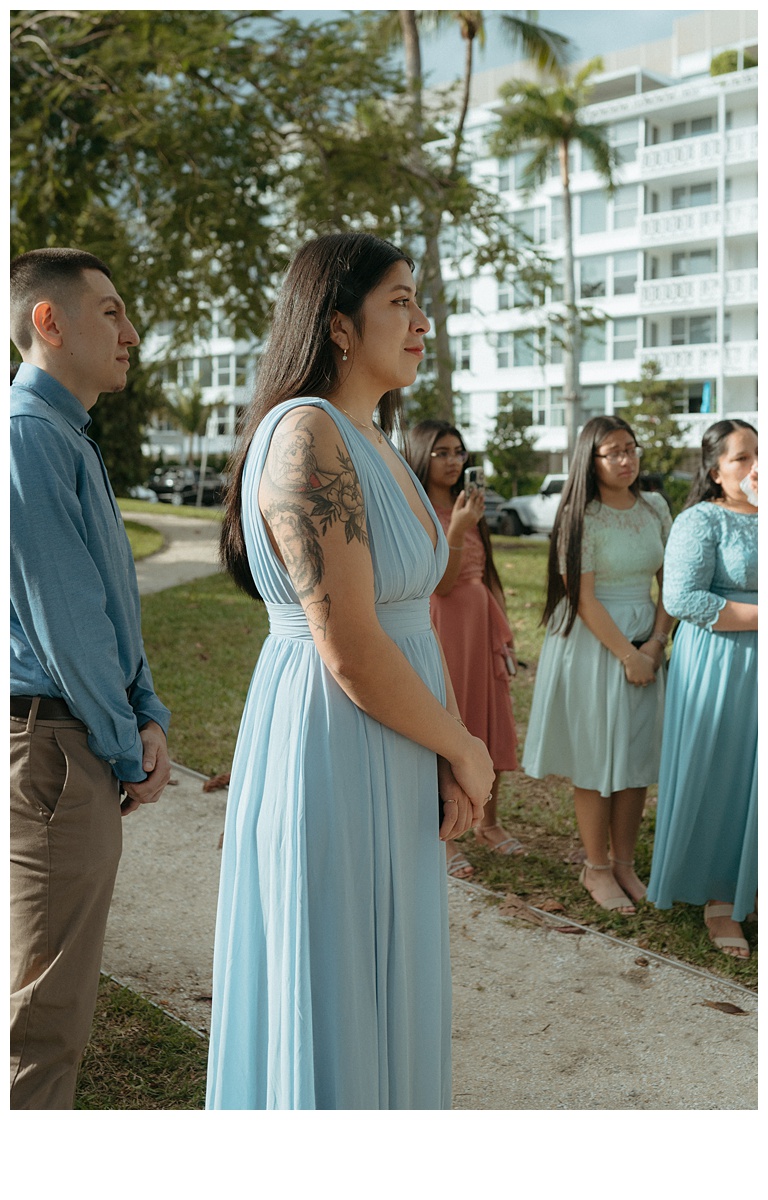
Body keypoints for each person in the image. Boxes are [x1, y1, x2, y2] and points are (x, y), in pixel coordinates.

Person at [207, 232, 494, 1110]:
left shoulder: (374, 439)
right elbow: (350, 643)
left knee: (389, 972)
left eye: (418, 301)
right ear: (337, 324)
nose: (421, 320)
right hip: (333, 736)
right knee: (335, 969)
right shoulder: (306, 435)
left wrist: (445, 754)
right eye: (399, 301)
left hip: (399, 736)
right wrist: (467, 746)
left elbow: (411, 624)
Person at [10, 248, 171, 1109]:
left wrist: (146, 712)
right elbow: (65, 624)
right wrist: (125, 743)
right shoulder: (28, 437)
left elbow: (110, 605)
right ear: (49, 321)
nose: (131, 334)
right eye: (110, 312)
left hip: (78, 738)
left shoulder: (63, 436)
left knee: (54, 1002)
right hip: (57, 745)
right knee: (44, 1021)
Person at [523, 416, 674, 914]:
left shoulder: (654, 506)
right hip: (594, 642)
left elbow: (669, 582)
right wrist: (628, 654)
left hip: (646, 643)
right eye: (614, 452)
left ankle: (626, 863)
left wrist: (654, 643)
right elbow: (582, 598)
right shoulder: (580, 515)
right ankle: (596, 865)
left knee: (635, 757)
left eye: (632, 449)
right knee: (596, 757)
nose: (627, 460)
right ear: (591, 459)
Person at [647, 420, 757, 957]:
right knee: (726, 773)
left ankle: (752, 884)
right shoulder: (701, 518)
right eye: (742, 458)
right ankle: (717, 894)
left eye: (760, 454)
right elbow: (684, 599)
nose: (756, 466)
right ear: (715, 471)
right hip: (722, 664)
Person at [404, 420, 520, 880]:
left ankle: (489, 823)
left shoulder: (467, 504)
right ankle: (448, 834)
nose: (454, 462)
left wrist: (505, 633)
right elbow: (442, 584)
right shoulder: (417, 508)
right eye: (443, 453)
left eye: (459, 452)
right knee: (454, 720)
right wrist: (457, 528)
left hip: (481, 624)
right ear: (421, 455)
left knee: (493, 717)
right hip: (443, 625)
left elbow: (486, 573)